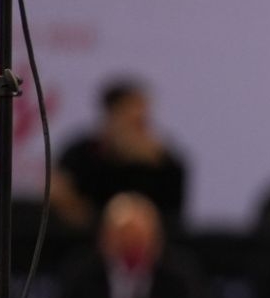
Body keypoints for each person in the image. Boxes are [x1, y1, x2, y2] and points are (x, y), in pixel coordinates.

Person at [56, 192, 205, 298]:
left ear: (157, 241)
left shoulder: (178, 275)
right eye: (123, 238)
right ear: (104, 240)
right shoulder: (82, 272)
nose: (130, 247)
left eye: (139, 239)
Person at [51, 79, 188, 234]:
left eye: (142, 121)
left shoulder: (164, 161)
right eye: (132, 119)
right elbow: (63, 203)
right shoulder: (79, 154)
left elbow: (173, 215)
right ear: (111, 115)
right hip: (86, 241)